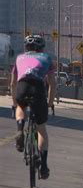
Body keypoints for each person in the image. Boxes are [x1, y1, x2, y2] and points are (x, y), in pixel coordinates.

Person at [10, 34, 55, 179]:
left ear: (26, 47)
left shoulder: (19, 58)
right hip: (38, 88)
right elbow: (52, 84)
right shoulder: (47, 58)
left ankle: (20, 130)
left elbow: (12, 84)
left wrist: (14, 103)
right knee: (41, 129)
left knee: (21, 107)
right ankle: (43, 166)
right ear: (41, 48)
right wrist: (49, 102)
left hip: (22, 86)